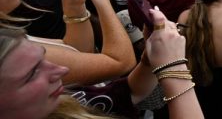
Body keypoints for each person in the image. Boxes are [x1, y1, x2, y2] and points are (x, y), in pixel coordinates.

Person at [0, 9, 205, 119]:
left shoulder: (59, 101)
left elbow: (129, 92)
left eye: (43, 59)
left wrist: (148, 59)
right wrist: (175, 69)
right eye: (32, 73)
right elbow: (120, 64)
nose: (61, 70)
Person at [0, 0, 136, 86]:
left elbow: (76, 52)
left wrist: (74, 6)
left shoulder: (8, 36)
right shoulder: (8, 50)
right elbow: (121, 63)